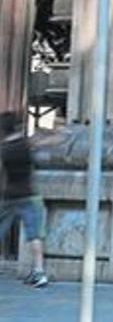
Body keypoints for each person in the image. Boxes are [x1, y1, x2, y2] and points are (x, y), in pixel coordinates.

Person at [0, 112, 48, 288]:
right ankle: (39, 271)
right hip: (29, 193)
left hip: (9, 195)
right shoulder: (26, 145)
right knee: (34, 234)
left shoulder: (4, 149)